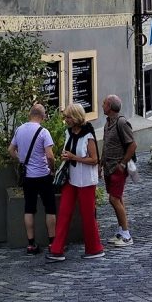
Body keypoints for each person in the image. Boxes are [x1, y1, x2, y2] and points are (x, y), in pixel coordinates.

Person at [46, 103, 105, 261]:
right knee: (64, 212)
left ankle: (94, 248)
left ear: (76, 117)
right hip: (71, 179)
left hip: (86, 180)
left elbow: (94, 160)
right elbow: (68, 151)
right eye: (65, 117)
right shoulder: (68, 132)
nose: (65, 120)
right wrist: (65, 156)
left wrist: (73, 157)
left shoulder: (88, 135)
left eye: (68, 117)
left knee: (88, 215)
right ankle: (57, 249)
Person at [8, 103, 56, 254]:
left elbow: (10, 149)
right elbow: (49, 155)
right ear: (42, 116)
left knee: (29, 208)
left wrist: (21, 160)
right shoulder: (43, 132)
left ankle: (30, 243)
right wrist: (52, 169)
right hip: (43, 174)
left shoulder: (19, 129)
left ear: (30, 114)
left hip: (28, 176)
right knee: (50, 208)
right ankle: (52, 242)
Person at [100, 94, 136, 247]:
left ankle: (127, 235)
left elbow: (132, 145)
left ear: (109, 106)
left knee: (113, 199)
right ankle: (121, 231)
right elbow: (106, 146)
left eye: (104, 103)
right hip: (109, 167)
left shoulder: (121, 123)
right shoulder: (108, 123)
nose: (102, 106)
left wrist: (122, 164)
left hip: (117, 167)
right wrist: (100, 164)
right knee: (117, 198)